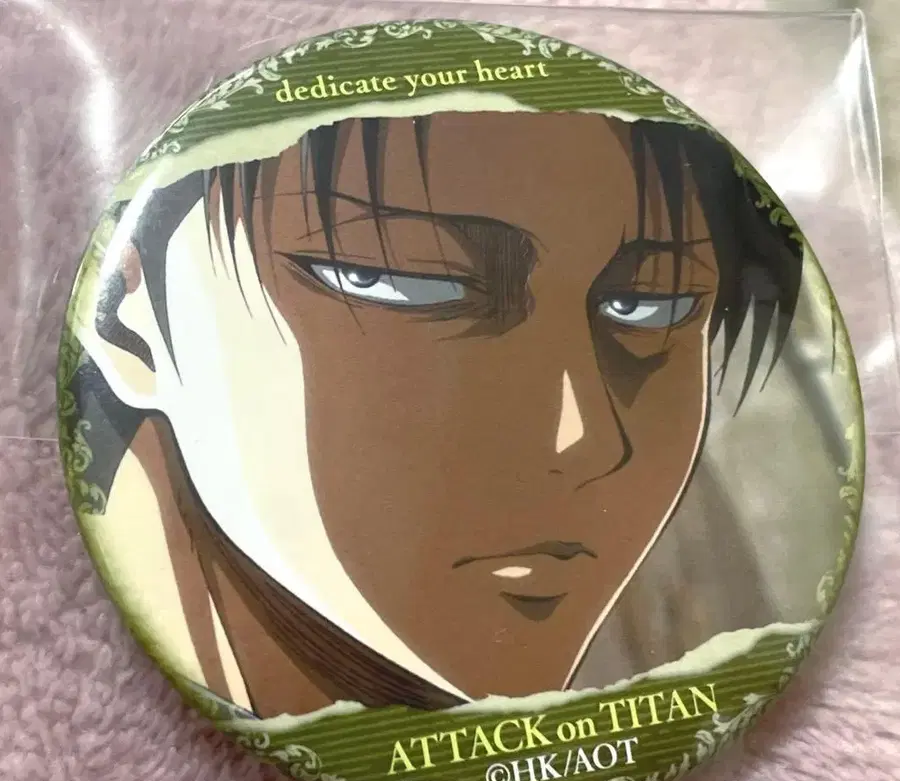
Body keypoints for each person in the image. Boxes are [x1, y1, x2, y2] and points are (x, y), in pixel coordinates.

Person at [78, 109, 801, 717]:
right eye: (396, 281)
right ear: (128, 323)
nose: (582, 438)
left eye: (649, 303)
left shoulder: (702, 577)